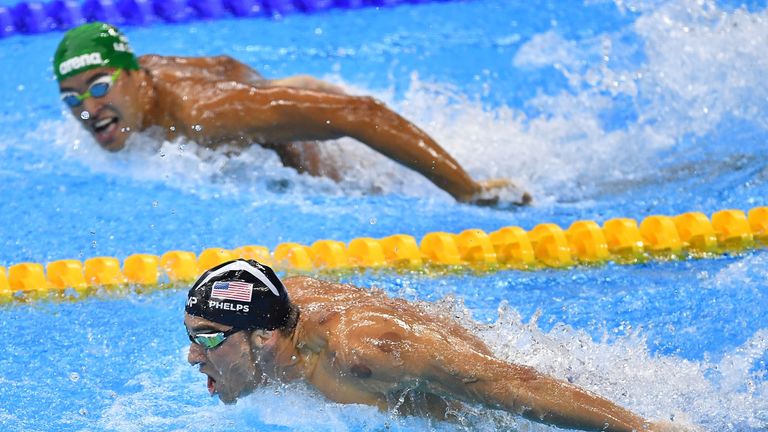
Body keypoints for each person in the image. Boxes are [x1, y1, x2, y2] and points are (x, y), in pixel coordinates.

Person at [53, 22, 530, 206]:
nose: (87, 109)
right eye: (72, 98)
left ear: (137, 77)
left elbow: (359, 112)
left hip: (284, 117)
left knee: (368, 191)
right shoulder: (134, 91)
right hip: (262, 94)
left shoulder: (204, 113)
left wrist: (467, 191)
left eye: (98, 88)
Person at [184, 259, 695, 432]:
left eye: (205, 339)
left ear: (265, 338)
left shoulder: (360, 352)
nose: (192, 356)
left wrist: (642, 428)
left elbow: (501, 384)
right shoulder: (276, 310)